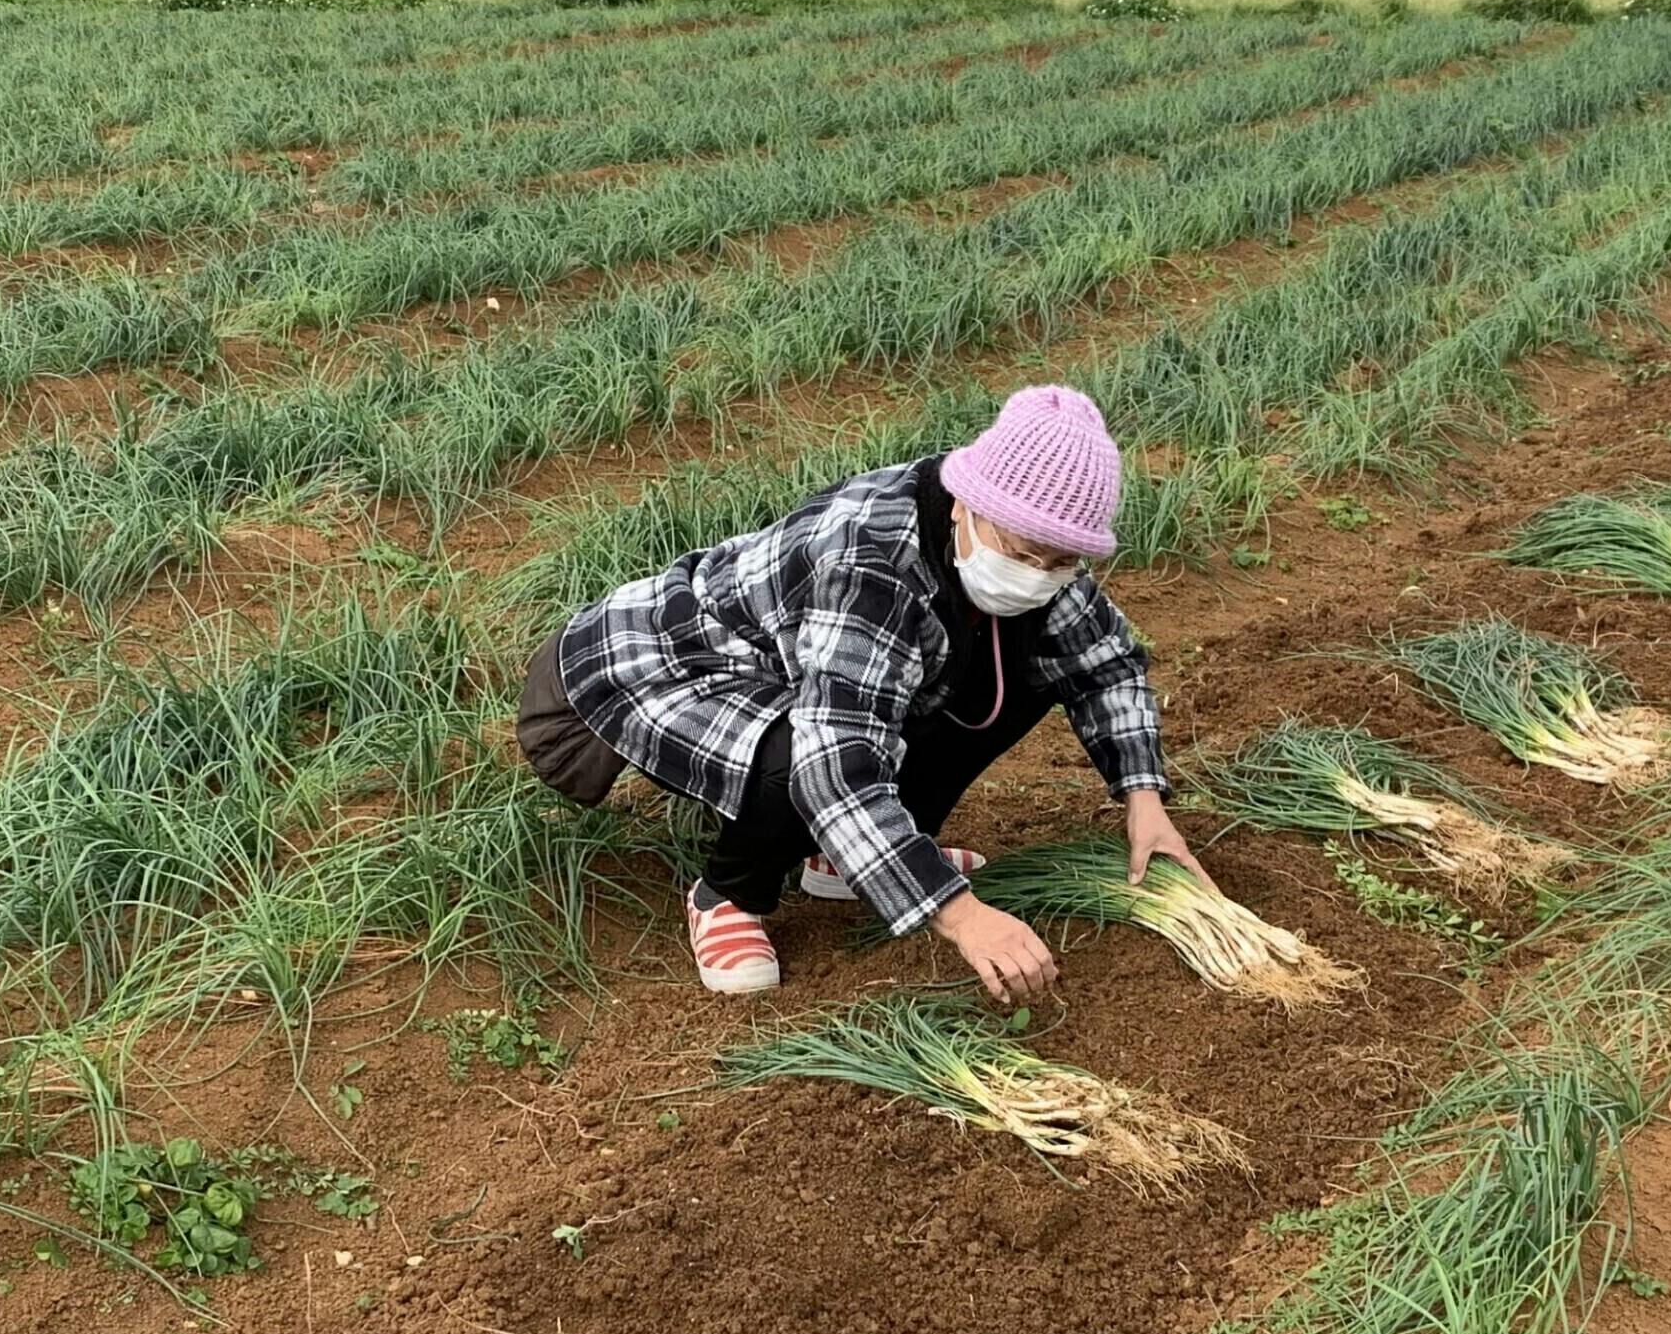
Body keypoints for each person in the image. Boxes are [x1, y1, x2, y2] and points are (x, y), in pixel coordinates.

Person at [515, 385, 1213, 1000]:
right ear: (970, 502)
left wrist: (1142, 800)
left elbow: (1105, 663)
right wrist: (960, 914)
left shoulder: (1033, 548)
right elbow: (833, 762)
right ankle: (725, 894)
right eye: (1023, 553)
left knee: (1021, 668)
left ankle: (839, 860)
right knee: (798, 751)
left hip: (803, 675)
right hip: (665, 662)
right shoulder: (872, 556)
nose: (1035, 573)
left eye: (1058, 561)